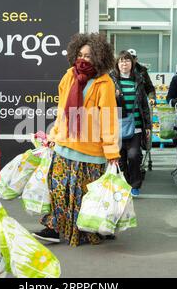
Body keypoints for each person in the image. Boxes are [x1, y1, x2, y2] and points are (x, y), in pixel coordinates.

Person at [32, 33, 120, 247]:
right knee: (58, 189)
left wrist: (112, 152)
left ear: (99, 58)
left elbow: (109, 119)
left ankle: (92, 228)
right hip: (64, 146)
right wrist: (53, 137)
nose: (83, 60)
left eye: (89, 56)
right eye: (80, 55)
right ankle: (53, 228)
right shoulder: (69, 76)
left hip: (91, 152)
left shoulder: (104, 83)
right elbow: (63, 110)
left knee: (86, 197)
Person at [109, 50, 151, 197]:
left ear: (132, 63)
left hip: (137, 126)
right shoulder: (111, 80)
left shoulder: (138, 79)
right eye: (121, 61)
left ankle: (135, 185)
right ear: (117, 64)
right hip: (117, 125)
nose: (124, 63)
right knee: (119, 158)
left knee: (134, 156)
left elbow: (144, 105)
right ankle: (124, 183)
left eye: (127, 61)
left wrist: (148, 126)